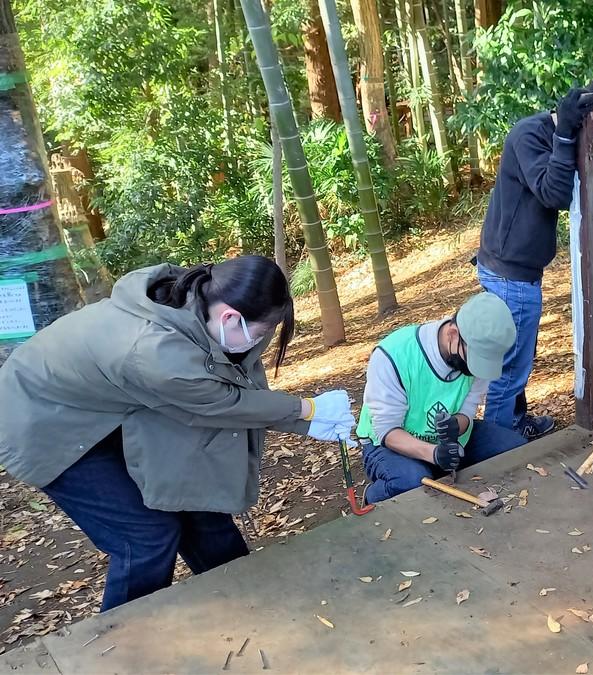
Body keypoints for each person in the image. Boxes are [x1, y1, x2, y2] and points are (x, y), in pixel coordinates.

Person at [0, 257, 356, 611]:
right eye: (261, 333)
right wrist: (306, 411)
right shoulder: (156, 356)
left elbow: (237, 379)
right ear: (231, 317)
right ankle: (120, 640)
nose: (261, 342)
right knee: (145, 538)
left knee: (195, 498)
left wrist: (307, 419)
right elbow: (224, 404)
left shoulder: (199, 299)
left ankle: (247, 598)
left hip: (104, 400)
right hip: (41, 420)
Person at [476, 73, 593, 440]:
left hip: (521, 270)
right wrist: (567, 138)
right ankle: (500, 445)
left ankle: (512, 423)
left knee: (519, 357)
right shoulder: (529, 135)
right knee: (510, 367)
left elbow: (567, 194)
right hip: (509, 273)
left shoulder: (557, 135)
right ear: (589, 114)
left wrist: (590, 155)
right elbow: (553, 193)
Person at [356, 292, 529, 503]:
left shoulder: (479, 352)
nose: (477, 369)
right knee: (411, 481)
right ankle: (374, 498)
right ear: (453, 334)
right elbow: (387, 432)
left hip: (448, 443)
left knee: (516, 450)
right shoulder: (393, 355)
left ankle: (434, 472)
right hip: (388, 444)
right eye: (475, 358)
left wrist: (456, 425)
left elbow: (468, 411)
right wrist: (435, 454)